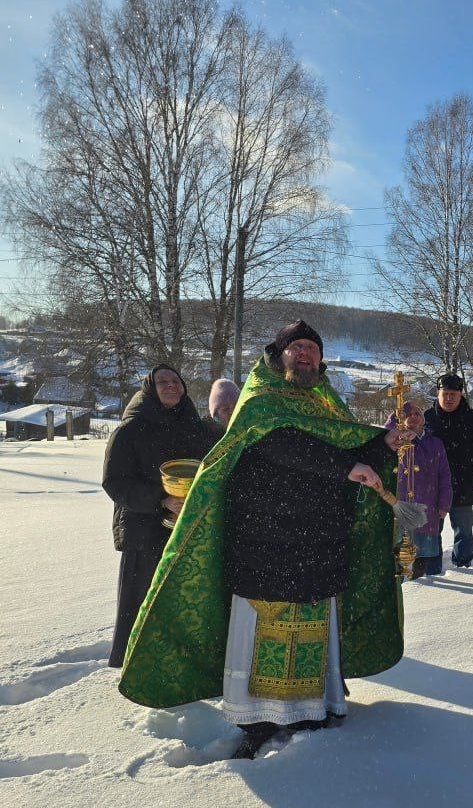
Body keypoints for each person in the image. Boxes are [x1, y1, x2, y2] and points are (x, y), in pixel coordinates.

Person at [118, 320, 414, 761]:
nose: (305, 354)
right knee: (262, 633)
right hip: (265, 545)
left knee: (311, 629)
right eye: (296, 347)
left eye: (312, 348)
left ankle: (311, 712)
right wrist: (343, 467)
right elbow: (279, 444)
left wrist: (384, 444)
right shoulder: (260, 397)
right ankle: (257, 721)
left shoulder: (324, 401)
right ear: (279, 354)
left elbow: (346, 446)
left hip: (317, 546)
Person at [101, 364, 217, 669]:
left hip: (188, 529)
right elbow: (115, 483)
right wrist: (161, 500)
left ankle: (180, 667)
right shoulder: (130, 431)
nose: (171, 385)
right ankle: (137, 668)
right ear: (149, 389)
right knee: (144, 604)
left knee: (183, 601)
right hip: (144, 533)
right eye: (162, 381)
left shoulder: (195, 428)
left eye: (176, 380)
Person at [425, 373, 473, 568]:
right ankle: (432, 569)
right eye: (445, 394)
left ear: (460, 394)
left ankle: (463, 566)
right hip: (432, 485)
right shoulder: (427, 418)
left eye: (453, 394)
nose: (448, 398)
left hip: (462, 481)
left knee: (463, 529)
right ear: (438, 393)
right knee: (431, 530)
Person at [385, 400, 452, 578]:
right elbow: (384, 435)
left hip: (426, 506)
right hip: (400, 505)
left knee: (422, 555)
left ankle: (421, 583)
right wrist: (396, 421)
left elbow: (444, 475)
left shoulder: (435, 443)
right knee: (397, 552)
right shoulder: (395, 440)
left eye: (417, 413)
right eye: (408, 414)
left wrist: (444, 503)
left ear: (423, 418)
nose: (413, 417)